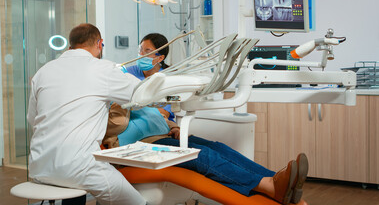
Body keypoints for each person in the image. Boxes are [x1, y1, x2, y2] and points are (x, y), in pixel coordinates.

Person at [104, 33, 309, 205]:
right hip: (141, 145)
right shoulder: (118, 95)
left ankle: (277, 179)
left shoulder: (153, 81)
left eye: (145, 51)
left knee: (217, 147)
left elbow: (157, 114)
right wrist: (123, 100)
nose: (140, 55)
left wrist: (173, 125)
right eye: (141, 51)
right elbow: (120, 124)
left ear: (160, 57)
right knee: (202, 156)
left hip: (163, 132)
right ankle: (270, 187)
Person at [27, 23, 146, 205]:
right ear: (100, 44)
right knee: (136, 202)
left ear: (70, 46)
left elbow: (32, 120)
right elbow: (140, 95)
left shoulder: (43, 72)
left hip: (40, 166)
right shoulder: (103, 69)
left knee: (73, 189)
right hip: (81, 167)